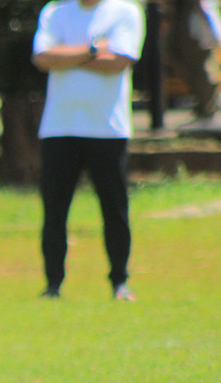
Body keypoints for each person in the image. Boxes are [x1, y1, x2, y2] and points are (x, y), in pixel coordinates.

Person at [32, 0, 145, 301]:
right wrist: (94, 49)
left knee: (114, 209)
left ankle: (119, 281)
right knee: (55, 211)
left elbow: (119, 62)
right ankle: (53, 284)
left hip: (107, 128)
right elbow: (42, 58)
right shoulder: (54, 12)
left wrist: (66, 54)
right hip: (59, 127)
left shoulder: (125, 11)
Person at [167, 0, 221, 124]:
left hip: (198, 28)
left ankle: (207, 110)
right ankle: (204, 107)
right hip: (182, 21)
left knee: (205, 70)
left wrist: (215, 33)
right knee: (178, 61)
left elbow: (205, 7)